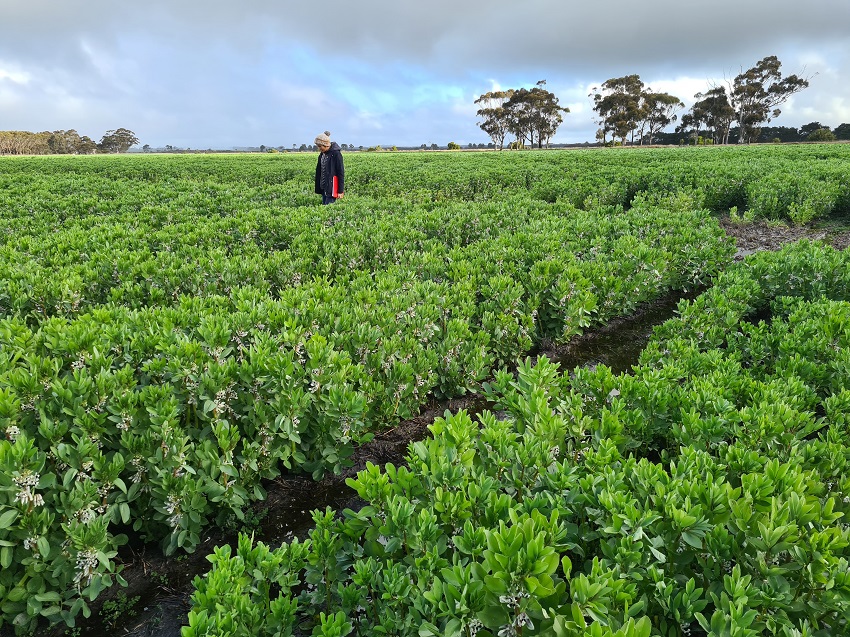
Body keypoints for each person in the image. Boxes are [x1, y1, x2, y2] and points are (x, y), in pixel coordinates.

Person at [314, 131, 345, 205]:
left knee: (328, 209)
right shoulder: (322, 154)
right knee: (324, 207)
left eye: (320, 146)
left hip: (332, 188)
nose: (319, 148)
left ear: (326, 145)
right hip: (324, 187)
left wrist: (340, 191)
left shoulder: (336, 154)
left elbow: (340, 173)